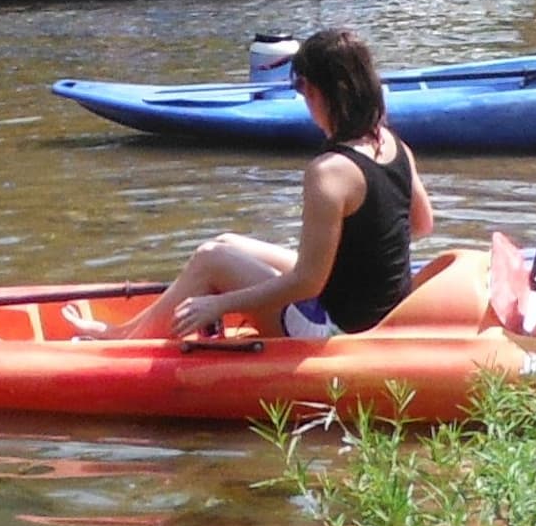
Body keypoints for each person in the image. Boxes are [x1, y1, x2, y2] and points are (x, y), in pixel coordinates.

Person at [98, 27, 430, 341]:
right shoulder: (395, 145)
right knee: (226, 243)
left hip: (336, 330)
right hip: (378, 309)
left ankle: (123, 345)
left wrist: (219, 304)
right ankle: (123, 332)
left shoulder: (329, 172)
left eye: (301, 88)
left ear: (316, 91)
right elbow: (421, 224)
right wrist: (358, 258)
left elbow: (308, 284)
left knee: (211, 259)